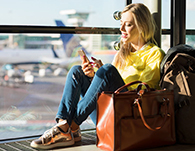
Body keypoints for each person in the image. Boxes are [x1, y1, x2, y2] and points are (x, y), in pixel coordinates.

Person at [30, 3, 165, 149]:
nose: (121, 29)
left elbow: (144, 95)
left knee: (107, 70)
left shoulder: (154, 54)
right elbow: (110, 88)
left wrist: (107, 74)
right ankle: (67, 127)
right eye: (121, 24)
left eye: (128, 25)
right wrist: (96, 77)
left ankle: (69, 128)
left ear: (142, 26)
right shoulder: (123, 53)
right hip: (112, 110)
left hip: (130, 116)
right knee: (77, 71)